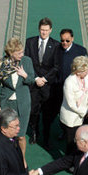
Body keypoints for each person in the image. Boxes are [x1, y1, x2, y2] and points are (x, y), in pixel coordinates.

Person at [0, 37, 35, 162]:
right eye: (19, 53)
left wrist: (25, 75)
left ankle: (21, 158)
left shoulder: (27, 61)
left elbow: (32, 80)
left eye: (22, 52)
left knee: (21, 136)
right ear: (11, 53)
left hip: (23, 103)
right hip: (7, 103)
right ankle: (7, 158)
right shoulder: (0, 64)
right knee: (7, 135)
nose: (22, 55)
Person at [24, 18, 61, 146]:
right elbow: (27, 62)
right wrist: (35, 78)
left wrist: (44, 79)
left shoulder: (56, 45)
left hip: (47, 86)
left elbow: (56, 66)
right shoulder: (30, 42)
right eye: (42, 30)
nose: (44, 32)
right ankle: (34, 132)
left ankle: (46, 135)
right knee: (33, 111)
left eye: (46, 30)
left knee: (47, 112)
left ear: (50, 30)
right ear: (39, 29)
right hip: (34, 84)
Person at [60, 56, 88, 153]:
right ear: (78, 72)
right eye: (85, 71)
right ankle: (70, 162)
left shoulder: (86, 77)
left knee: (83, 139)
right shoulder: (69, 82)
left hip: (85, 113)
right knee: (71, 143)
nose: (87, 72)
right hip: (71, 117)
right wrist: (85, 111)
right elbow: (71, 104)